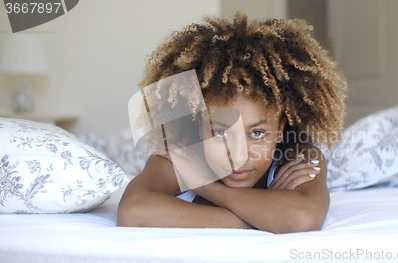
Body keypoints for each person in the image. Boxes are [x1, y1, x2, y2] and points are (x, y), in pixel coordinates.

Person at [117, 12, 347, 234]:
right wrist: (265, 217)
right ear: (198, 127)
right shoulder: (180, 155)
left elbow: (302, 218)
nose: (239, 157)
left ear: (280, 130)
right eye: (220, 133)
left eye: (257, 133)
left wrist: (206, 188)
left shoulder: (300, 158)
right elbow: (133, 211)